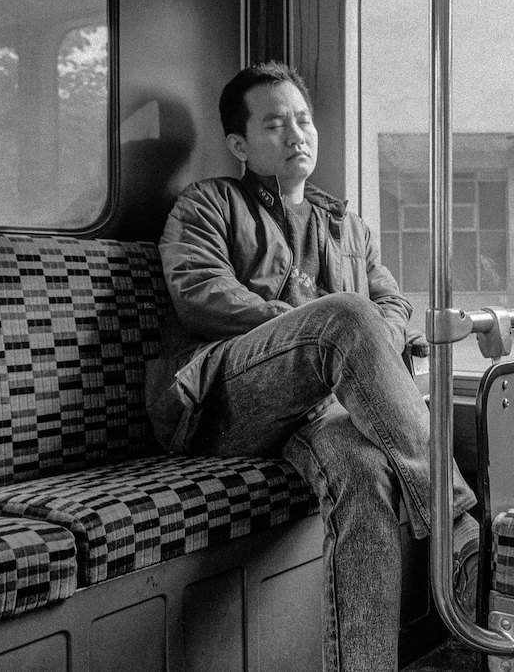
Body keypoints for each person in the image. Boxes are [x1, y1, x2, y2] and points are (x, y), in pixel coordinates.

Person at [147, 61, 480, 671]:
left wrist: (360, 335)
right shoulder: (210, 203)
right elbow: (198, 289)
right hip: (225, 404)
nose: (296, 133)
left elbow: (396, 303)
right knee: (344, 317)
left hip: (318, 412)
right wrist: (310, 324)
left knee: (362, 468)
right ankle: (458, 529)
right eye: (274, 124)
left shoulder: (346, 225)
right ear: (241, 145)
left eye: (302, 119)